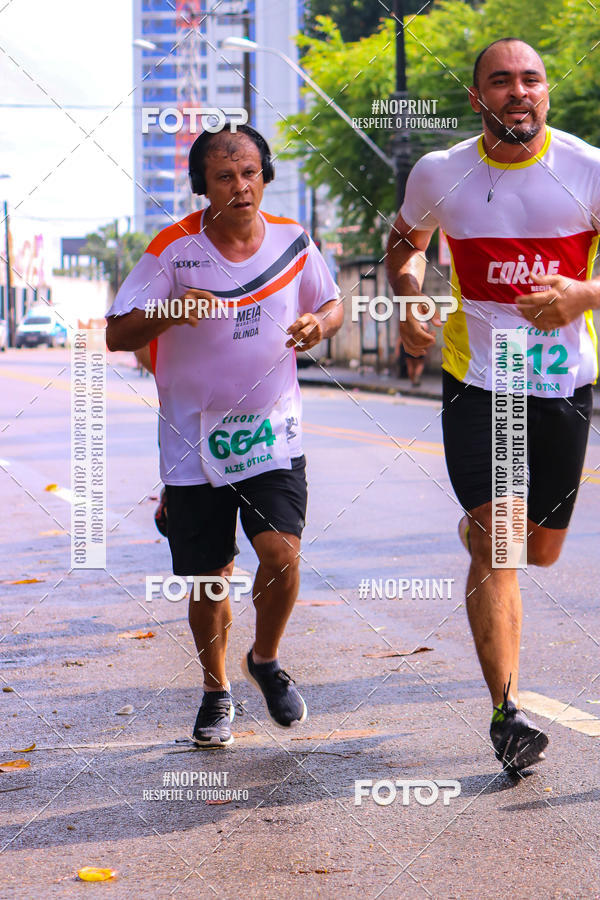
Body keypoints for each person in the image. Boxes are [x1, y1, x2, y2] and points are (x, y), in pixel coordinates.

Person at [386, 38, 600, 772]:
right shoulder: (440, 173)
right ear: (477, 98)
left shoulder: (588, 170)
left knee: (541, 548)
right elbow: (404, 243)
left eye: (531, 80)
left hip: (563, 383)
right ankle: (508, 715)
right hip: (481, 380)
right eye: (501, 81)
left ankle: (486, 526)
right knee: (501, 540)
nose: (519, 91)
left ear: (547, 93)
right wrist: (411, 294)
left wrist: (583, 293)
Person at [106, 123, 342, 748]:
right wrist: (172, 309)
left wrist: (319, 321)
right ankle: (216, 691)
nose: (240, 187)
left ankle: (263, 660)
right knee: (211, 578)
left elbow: (334, 302)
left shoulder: (294, 240)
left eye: (249, 173)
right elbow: (119, 333)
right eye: (224, 177)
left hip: (271, 433)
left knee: (281, 555)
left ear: (264, 175)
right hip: (193, 442)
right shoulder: (173, 249)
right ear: (202, 187)